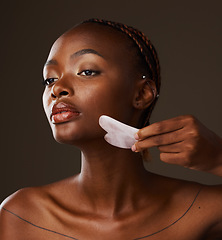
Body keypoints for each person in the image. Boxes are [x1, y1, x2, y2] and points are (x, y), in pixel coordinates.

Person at [0, 18, 222, 240]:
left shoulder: (201, 211)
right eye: (49, 79)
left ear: (142, 94)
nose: (57, 88)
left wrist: (218, 159)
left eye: (86, 71)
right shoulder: (22, 216)